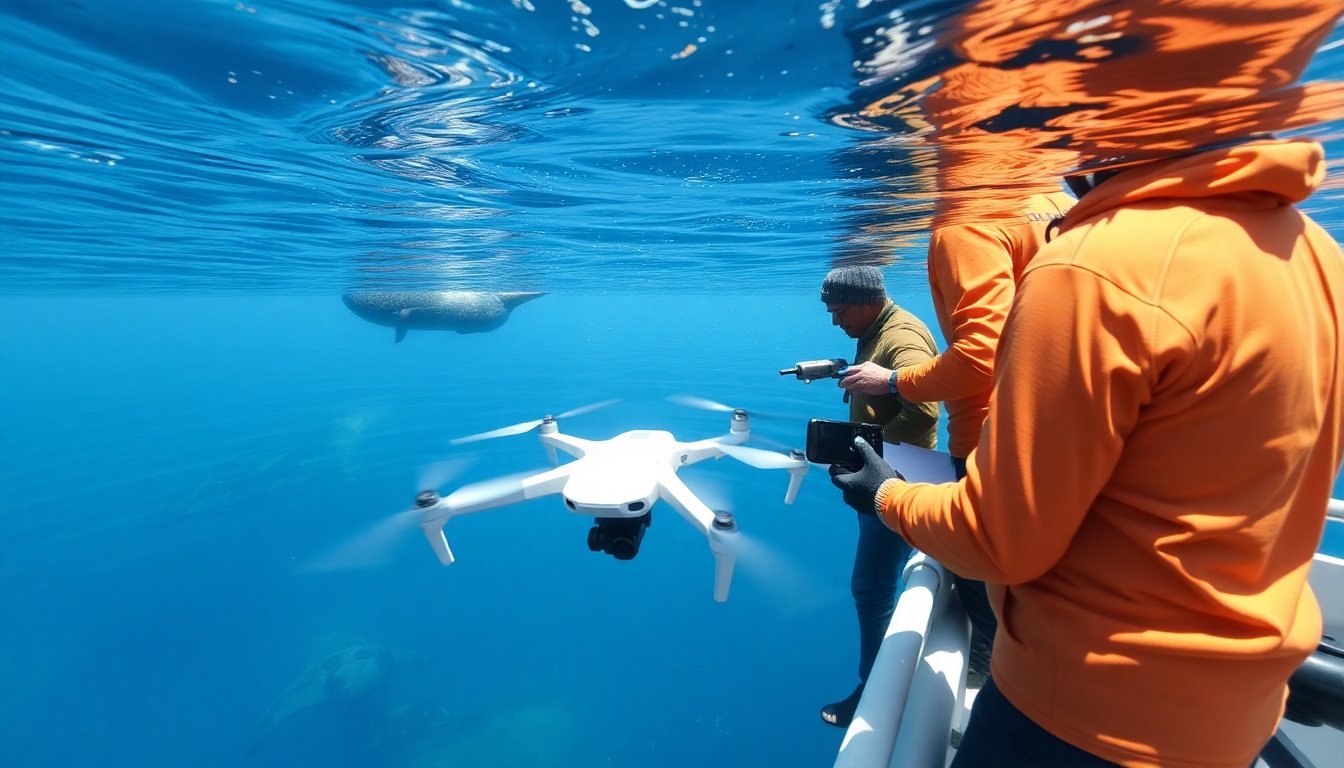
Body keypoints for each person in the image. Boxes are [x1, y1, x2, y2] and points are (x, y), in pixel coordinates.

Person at [832, 136, 1344, 766]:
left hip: (1082, 709)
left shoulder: (1090, 264)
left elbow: (1001, 540)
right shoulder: (1313, 250)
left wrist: (887, 494)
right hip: (1233, 707)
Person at [835, 189, 1074, 686]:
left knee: (964, 582)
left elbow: (977, 358)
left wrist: (892, 384)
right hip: (1059, 427)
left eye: (837, 308)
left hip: (988, 438)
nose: (834, 320)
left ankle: (987, 684)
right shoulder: (1057, 200)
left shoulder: (966, 220)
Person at [816, 265, 941, 728]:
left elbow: (925, 410)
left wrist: (863, 454)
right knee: (878, 584)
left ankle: (876, 691)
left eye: (841, 310)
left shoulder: (901, 336)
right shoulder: (878, 328)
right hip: (892, 472)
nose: (835, 320)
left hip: (894, 480)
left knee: (870, 591)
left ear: (868, 299)